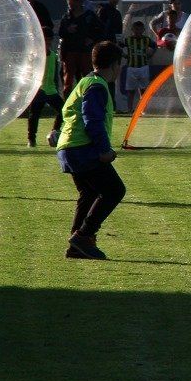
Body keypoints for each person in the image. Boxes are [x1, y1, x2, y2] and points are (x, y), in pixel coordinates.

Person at [57, 41, 125, 259]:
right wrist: (104, 150)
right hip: (82, 148)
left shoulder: (86, 81)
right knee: (115, 190)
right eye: (119, 65)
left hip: (69, 147)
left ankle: (76, 246)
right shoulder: (97, 86)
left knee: (89, 193)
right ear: (114, 65)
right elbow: (92, 120)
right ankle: (83, 236)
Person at [57, 0, 103, 96]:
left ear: (79, 2)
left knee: (87, 76)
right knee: (68, 79)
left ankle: (88, 98)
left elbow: (100, 30)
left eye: (71, 1)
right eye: (68, 1)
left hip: (85, 51)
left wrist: (92, 39)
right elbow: (61, 33)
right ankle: (67, 100)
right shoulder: (67, 17)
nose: (69, 4)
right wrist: (68, 30)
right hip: (70, 51)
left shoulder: (89, 15)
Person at [27, 28, 64, 148]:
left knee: (64, 110)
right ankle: (31, 139)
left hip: (51, 90)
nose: (47, 43)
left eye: (49, 41)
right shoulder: (35, 55)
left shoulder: (53, 56)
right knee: (34, 114)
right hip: (39, 90)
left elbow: (55, 74)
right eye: (45, 40)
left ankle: (55, 131)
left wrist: (57, 87)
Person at [121, 20, 156, 112]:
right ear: (132, 29)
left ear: (143, 30)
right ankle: (130, 109)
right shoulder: (128, 40)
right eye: (136, 29)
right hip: (131, 68)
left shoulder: (146, 40)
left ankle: (142, 109)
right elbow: (119, 46)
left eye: (140, 29)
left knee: (143, 90)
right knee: (131, 91)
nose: (138, 31)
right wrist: (124, 55)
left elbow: (154, 46)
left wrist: (151, 54)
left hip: (143, 67)